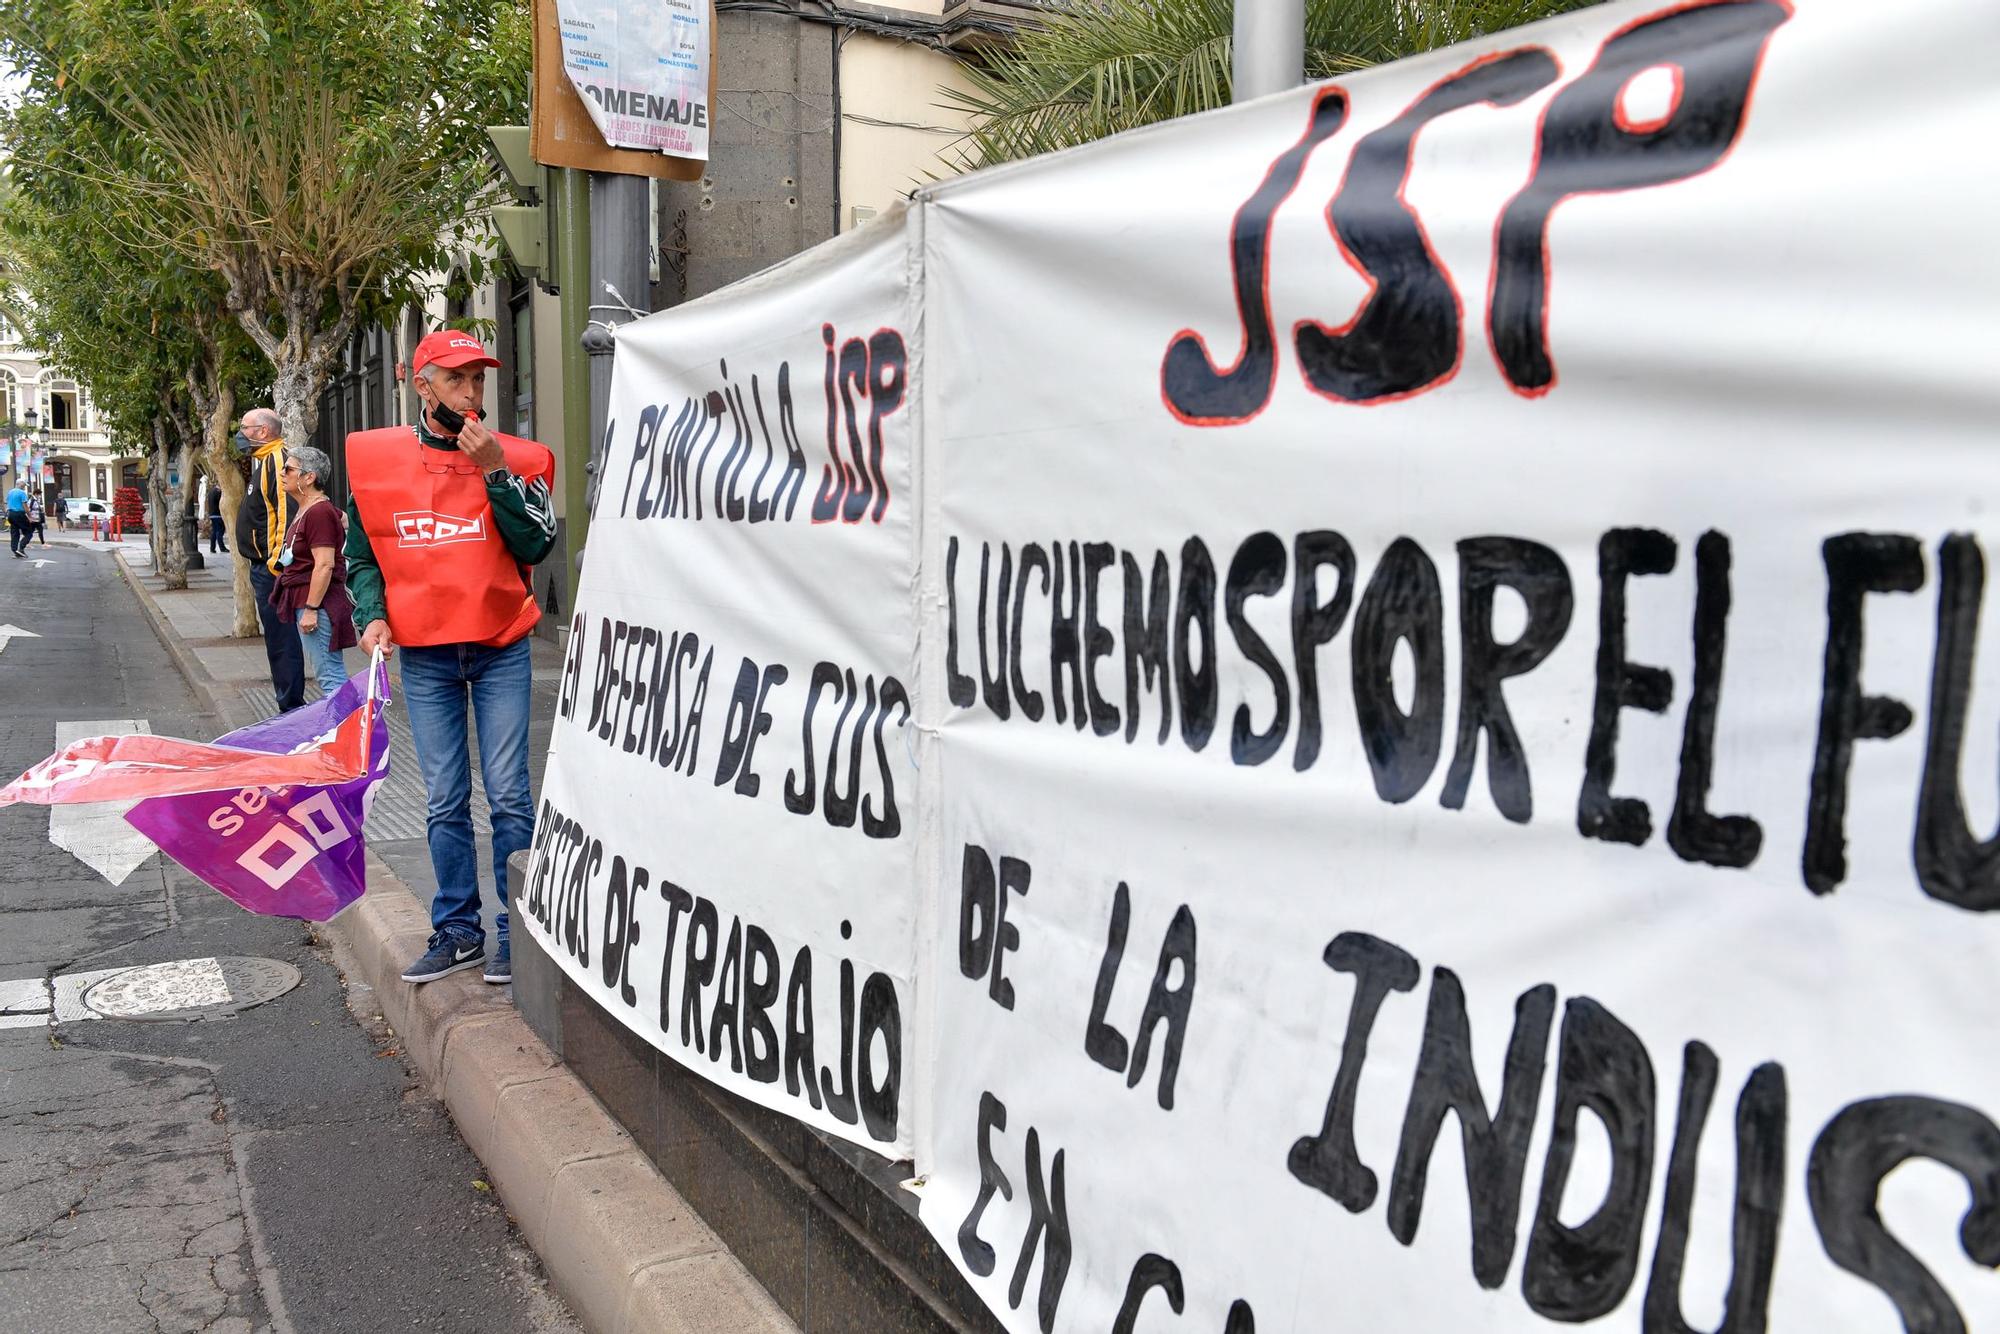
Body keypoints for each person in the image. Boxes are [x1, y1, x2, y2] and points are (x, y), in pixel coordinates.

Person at [346, 330, 555, 986]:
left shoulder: (518, 457)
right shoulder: (378, 463)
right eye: (457, 379)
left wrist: (494, 469)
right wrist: (372, 614)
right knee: (443, 799)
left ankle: (515, 934)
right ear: (422, 384)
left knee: (511, 795)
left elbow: (538, 543)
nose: (471, 393)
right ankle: (458, 931)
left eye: (479, 380)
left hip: (501, 649)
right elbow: (363, 555)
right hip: (429, 657)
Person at [232, 409, 305, 712]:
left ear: (262, 431)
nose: (240, 434)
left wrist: (276, 564)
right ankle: (288, 703)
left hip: (271, 569)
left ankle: (290, 707)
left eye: (244, 427)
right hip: (264, 566)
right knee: (277, 641)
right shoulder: (264, 460)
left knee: (282, 642)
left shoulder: (277, 461)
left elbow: (285, 514)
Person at [270, 444, 356, 698]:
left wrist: (311, 609)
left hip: (318, 605)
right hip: (309, 601)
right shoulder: (313, 509)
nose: (283, 473)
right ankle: (348, 731)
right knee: (328, 673)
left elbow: (325, 563)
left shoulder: (318, 512)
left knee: (330, 676)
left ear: (309, 477)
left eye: (289, 468)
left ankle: (350, 734)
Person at [5, 480, 27, 557]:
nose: (24, 487)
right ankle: (21, 549)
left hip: (11, 514)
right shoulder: (22, 493)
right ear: (20, 484)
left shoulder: (10, 492)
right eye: (24, 485)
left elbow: (7, 502)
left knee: (14, 532)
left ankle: (14, 549)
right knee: (28, 532)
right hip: (19, 513)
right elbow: (24, 505)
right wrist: (29, 514)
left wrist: (8, 510)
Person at [206, 478, 228, 553]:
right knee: (220, 531)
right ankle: (222, 548)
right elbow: (222, 503)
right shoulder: (218, 493)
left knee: (214, 531)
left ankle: (212, 548)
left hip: (212, 514)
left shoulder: (211, 492)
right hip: (218, 515)